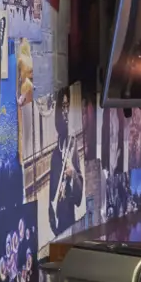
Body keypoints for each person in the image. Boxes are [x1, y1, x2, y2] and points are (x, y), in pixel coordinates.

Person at [48, 91, 83, 234]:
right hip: (58, 225)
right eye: (62, 107)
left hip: (70, 221)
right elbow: (51, 199)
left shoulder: (72, 146)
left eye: (67, 107)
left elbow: (79, 198)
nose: (65, 112)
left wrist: (73, 174)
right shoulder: (55, 154)